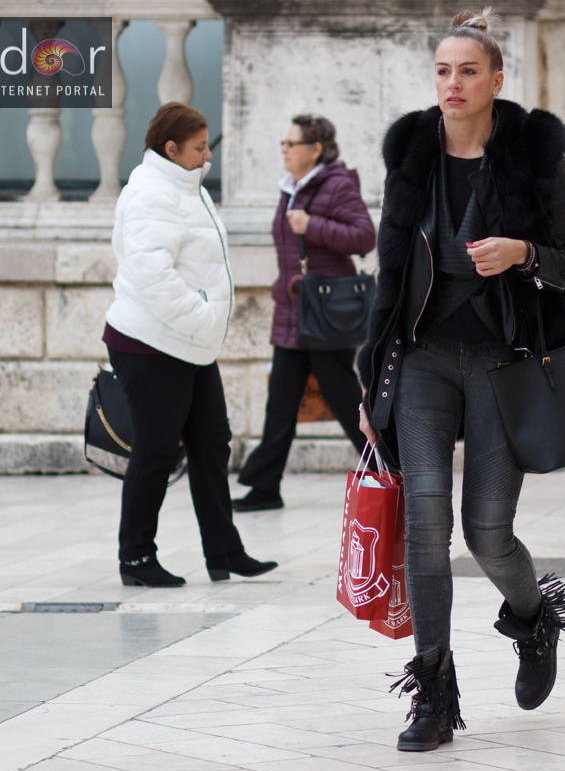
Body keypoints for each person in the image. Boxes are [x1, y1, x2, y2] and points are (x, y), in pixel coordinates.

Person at [357, 9, 565, 751]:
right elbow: (390, 276)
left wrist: (523, 252)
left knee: (487, 532)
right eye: (443, 71)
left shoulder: (532, 155)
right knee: (426, 526)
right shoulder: (412, 155)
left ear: (497, 80)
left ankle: (533, 619)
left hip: (501, 364)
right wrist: (370, 386)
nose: (454, 84)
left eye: (469, 71)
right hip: (420, 361)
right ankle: (432, 694)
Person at [104, 101, 278, 588]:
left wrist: (201, 326)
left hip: (190, 342)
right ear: (171, 147)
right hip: (150, 340)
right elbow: (150, 274)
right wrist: (202, 317)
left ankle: (224, 550)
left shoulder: (186, 186)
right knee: (156, 451)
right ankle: (136, 557)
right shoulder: (150, 193)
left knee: (211, 445)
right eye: (200, 148)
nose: (207, 156)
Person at [232, 115, 376, 512]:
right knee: (280, 401)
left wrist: (313, 225)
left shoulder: (336, 184)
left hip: (325, 313)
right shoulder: (291, 189)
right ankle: (264, 487)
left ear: (314, 149)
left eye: (291, 143)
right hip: (293, 312)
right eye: (283, 142)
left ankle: (388, 470)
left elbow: (364, 236)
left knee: (344, 398)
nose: (283, 149)